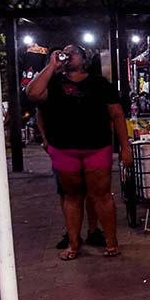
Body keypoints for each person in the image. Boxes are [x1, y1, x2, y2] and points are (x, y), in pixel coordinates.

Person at [26, 44, 131, 260]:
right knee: (72, 197)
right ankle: (73, 244)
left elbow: (117, 115)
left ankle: (111, 242)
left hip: (96, 147)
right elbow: (33, 93)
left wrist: (125, 147)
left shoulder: (99, 83)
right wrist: (51, 66)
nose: (68, 54)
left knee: (101, 195)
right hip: (64, 149)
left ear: (84, 59)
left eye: (74, 51)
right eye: (66, 51)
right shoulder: (53, 83)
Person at [36, 107, 105, 250]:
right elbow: (41, 112)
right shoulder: (52, 95)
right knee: (67, 192)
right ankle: (72, 233)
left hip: (89, 145)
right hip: (62, 147)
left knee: (91, 190)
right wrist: (45, 138)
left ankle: (92, 231)